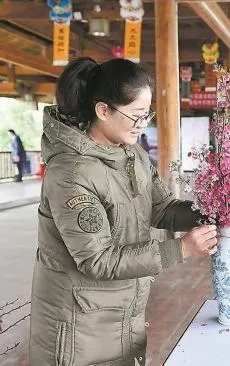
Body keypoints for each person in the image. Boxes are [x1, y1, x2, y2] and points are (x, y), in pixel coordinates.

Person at [29, 57, 218, 365]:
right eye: (136, 116)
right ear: (102, 110)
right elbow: (97, 260)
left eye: (147, 115)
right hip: (78, 323)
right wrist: (180, 249)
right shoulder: (71, 173)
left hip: (122, 309)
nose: (143, 125)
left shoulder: (132, 153)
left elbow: (162, 207)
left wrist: (213, 212)